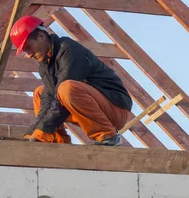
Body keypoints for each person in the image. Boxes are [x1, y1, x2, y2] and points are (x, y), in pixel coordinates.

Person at [9, 15, 133, 146]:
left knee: (66, 88)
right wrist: (31, 134)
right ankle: (57, 143)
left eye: (28, 47)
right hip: (91, 106)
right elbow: (47, 103)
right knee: (40, 93)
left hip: (115, 108)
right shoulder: (45, 66)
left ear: (41, 36)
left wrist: (41, 132)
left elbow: (61, 100)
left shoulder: (69, 50)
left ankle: (108, 136)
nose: (28, 55)